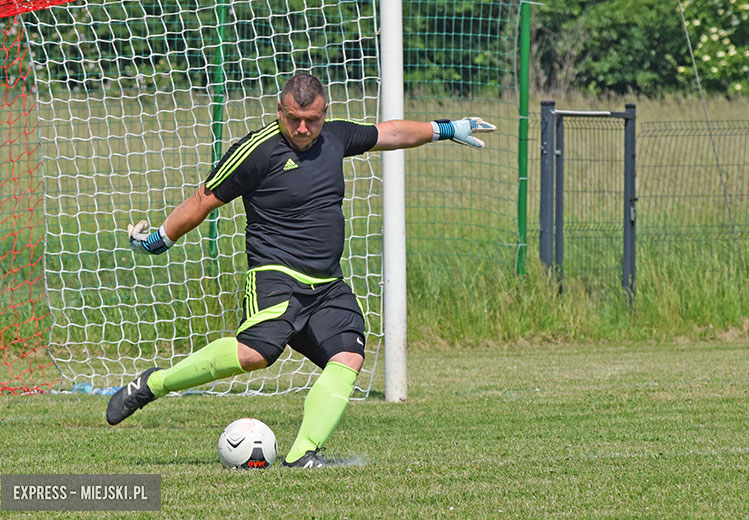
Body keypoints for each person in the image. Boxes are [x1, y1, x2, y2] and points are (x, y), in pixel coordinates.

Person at [106, 72, 495, 468]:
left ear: (325, 112)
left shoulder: (335, 138)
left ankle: (303, 454)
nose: (303, 129)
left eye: (312, 120)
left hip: (327, 285)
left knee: (348, 356)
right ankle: (153, 384)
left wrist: (446, 129)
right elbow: (202, 200)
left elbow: (391, 132)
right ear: (279, 110)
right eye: (293, 119)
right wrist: (159, 239)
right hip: (275, 276)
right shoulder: (256, 151)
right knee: (254, 354)